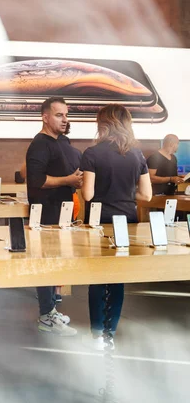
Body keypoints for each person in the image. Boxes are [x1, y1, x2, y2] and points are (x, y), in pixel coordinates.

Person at [80, 104, 152, 350]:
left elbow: (88, 195)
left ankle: (97, 334)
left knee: (98, 277)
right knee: (118, 278)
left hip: (99, 223)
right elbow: (147, 195)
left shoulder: (92, 153)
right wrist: (124, 192)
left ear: (103, 124)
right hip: (127, 222)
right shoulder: (137, 155)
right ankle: (111, 332)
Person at [26, 97, 83, 336]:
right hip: (46, 211)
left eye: (66, 115)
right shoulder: (39, 144)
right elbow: (37, 181)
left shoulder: (65, 142)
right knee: (45, 262)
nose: (64, 119)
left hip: (64, 212)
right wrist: (68, 180)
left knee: (57, 261)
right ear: (45, 116)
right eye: (59, 115)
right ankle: (46, 315)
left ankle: (51, 310)